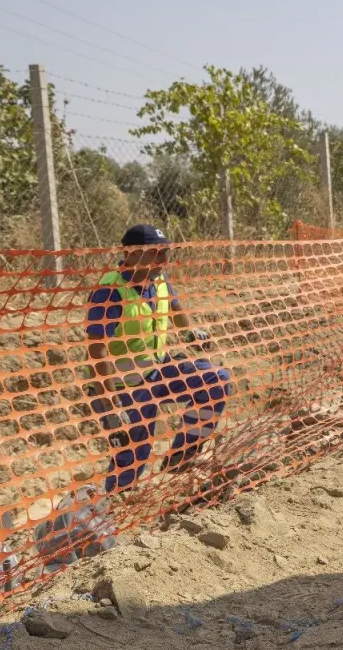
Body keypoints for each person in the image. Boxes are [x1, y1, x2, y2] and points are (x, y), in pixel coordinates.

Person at [33, 224, 234, 568]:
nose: (164, 258)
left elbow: (175, 306)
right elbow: (96, 352)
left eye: (166, 251)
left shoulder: (158, 279)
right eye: (157, 252)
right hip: (121, 386)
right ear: (132, 253)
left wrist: (191, 331)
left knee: (215, 381)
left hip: (157, 370)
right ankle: (78, 529)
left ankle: (180, 459)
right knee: (130, 466)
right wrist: (111, 404)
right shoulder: (109, 292)